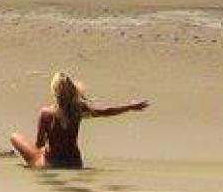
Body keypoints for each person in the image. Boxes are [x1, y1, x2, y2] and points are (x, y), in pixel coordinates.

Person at [9, 72, 146, 169]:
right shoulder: (78, 109)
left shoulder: (46, 113)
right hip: (75, 163)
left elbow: (39, 144)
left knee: (15, 137)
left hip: (52, 164)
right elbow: (105, 111)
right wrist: (130, 107)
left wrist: (49, 144)